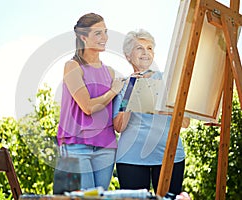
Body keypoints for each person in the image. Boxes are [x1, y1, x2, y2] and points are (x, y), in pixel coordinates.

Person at [113, 29, 190, 195]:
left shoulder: (169, 80)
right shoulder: (122, 85)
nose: (145, 52)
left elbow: (185, 123)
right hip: (131, 158)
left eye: (149, 48)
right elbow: (119, 126)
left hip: (169, 156)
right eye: (139, 48)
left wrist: (165, 105)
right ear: (127, 55)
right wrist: (131, 91)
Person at [56, 13, 124, 190]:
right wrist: (113, 91)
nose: (105, 38)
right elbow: (87, 106)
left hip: (106, 146)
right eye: (98, 33)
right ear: (83, 37)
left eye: (105, 32)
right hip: (76, 145)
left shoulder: (109, 72)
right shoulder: (72, 66)